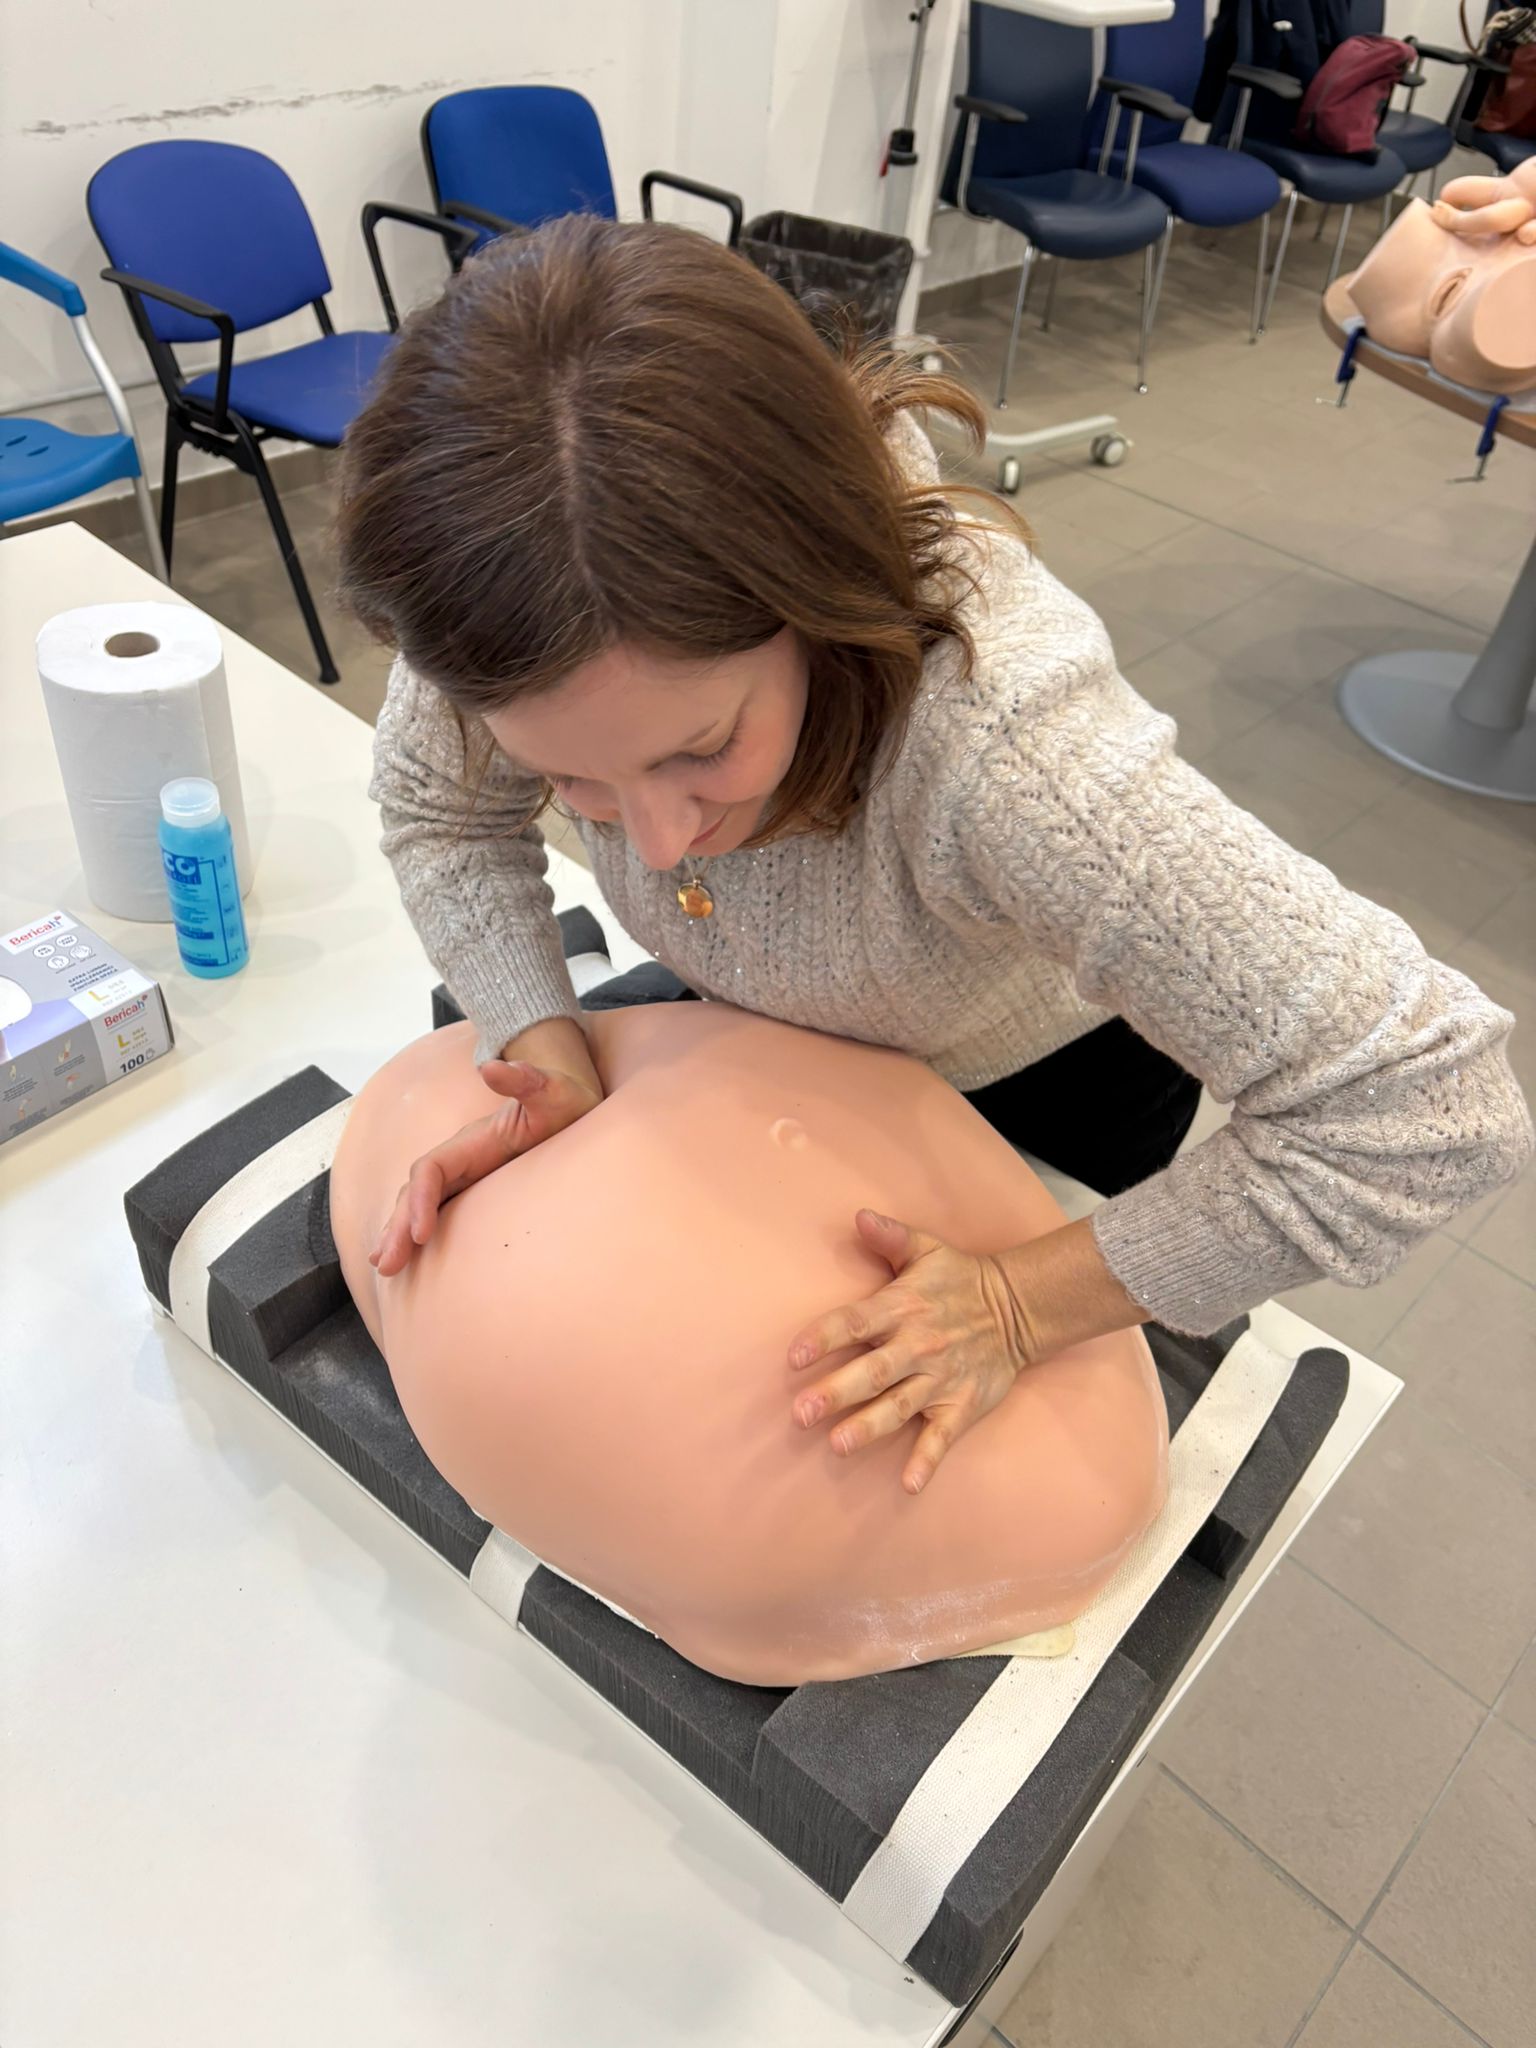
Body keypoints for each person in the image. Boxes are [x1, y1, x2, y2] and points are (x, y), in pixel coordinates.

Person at [336, 214, 1531, 1499]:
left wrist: (1023, 1299)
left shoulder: (1006, 752)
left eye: (704, 748)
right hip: (764, 1034)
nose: (661, 840)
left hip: (1033, 1090)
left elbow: (1425, 1105)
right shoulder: (517, 591)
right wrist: (543, 1047)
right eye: (574, 781)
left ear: (815, 596)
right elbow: (441, 812)